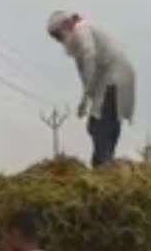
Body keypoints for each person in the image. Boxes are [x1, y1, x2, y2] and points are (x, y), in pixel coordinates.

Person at [47, 11, 136, 168]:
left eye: (58, 36)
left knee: (102, 123)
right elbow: (85, 71)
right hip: (110, 81)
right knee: (98, 124)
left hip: (114, 79)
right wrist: (86, 98)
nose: (58, 41)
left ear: (66, 25)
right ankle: (102, 163)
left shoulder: (81, 30)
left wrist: (87, 93)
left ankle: (104, 165)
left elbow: (89, 55)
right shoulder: (76, 43)